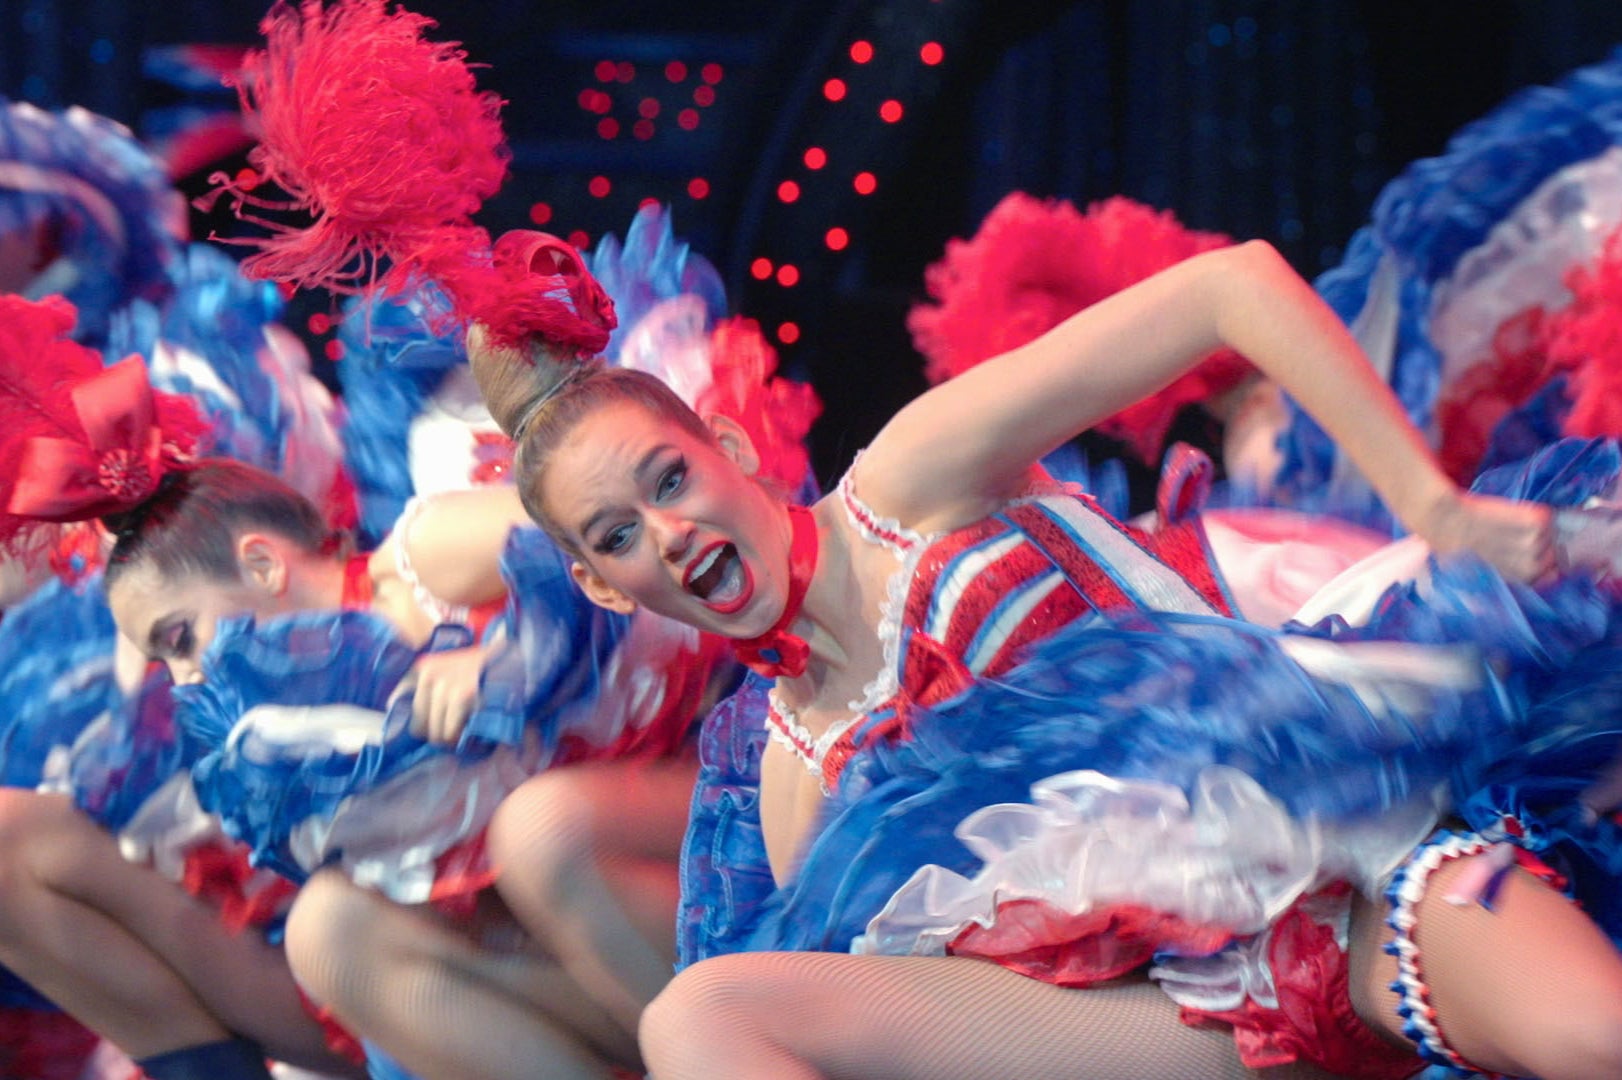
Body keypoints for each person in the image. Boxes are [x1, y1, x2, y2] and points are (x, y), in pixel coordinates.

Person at [462, 233, 1622, 1080]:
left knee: (1593, 1033)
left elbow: (1229, 287)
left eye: (668, 480)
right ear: (600, 584)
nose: (669, 531)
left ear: (723, 447)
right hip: (1183, 1031)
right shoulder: (786, 782)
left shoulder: (903, 485)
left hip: (1354, 884)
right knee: (700, 1017)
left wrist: (1432, 504)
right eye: (618, 534)